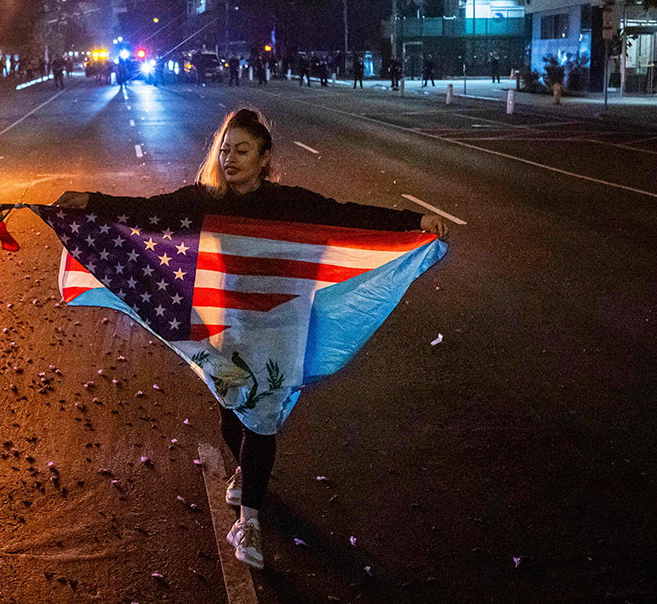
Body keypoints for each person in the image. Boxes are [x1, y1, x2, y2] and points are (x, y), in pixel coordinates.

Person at [53, 108, 448, 570]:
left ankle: (250, 521)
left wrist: (414, 220)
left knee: (260, 419)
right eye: (224, 150)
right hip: (227, 326)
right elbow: (146, 210)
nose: (230, 159)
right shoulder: (204, 199)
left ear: (264, 158)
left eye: (242, 150)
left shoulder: (289, 203)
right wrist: (88, 201)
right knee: (232, 413)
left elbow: (347, 216)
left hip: (279, 328)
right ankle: (245, 471)